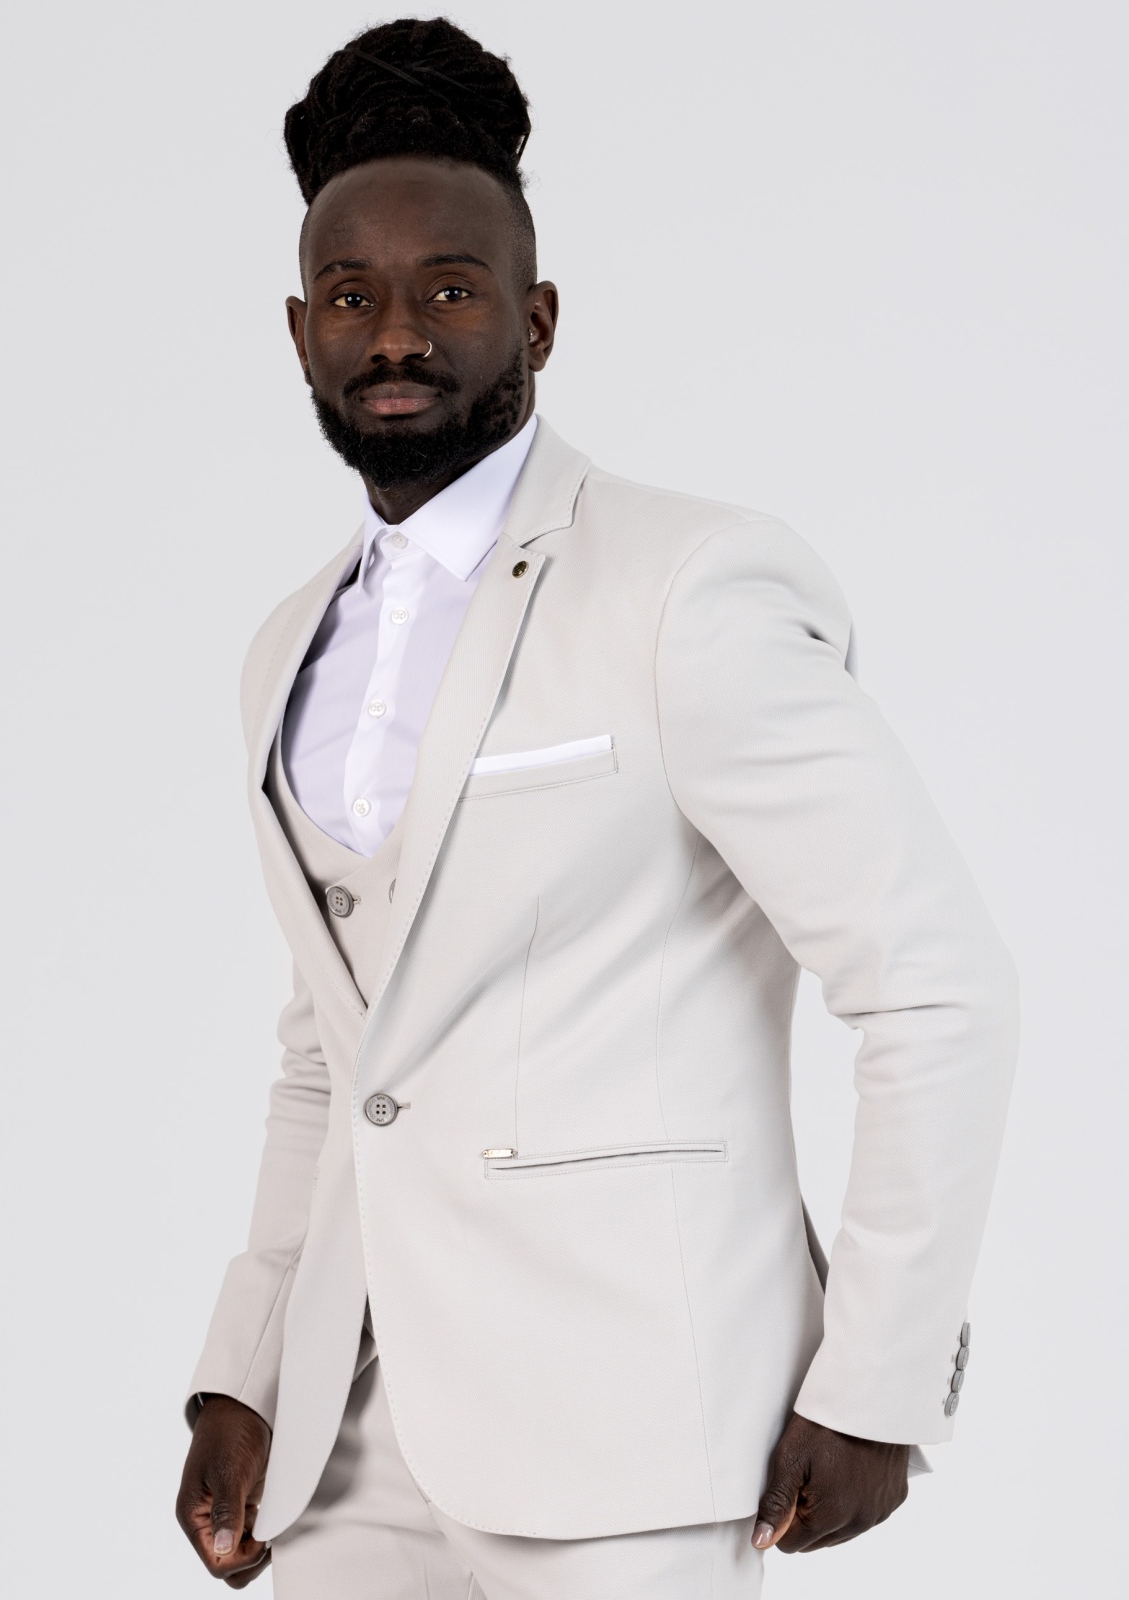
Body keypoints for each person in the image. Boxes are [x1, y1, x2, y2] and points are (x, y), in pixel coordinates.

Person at [174, 17, 1017, 1597]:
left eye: (450, 290)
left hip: (633, 1420)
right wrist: (249, 1369)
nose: (397, 335)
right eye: (352, 296)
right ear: (300, 333)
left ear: (538, 319)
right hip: (354, 1437)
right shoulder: (287, 650)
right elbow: (329, 1056)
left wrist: (878, 1379)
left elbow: (934, 984)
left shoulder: (686, 588)